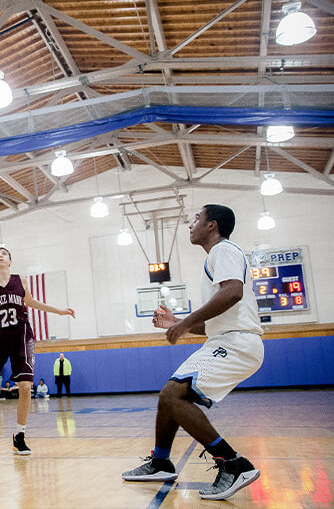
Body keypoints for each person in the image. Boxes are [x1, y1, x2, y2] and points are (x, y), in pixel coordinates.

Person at [122, 205, 264, 501]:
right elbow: (216, 322)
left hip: (237, 343)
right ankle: (161, 461)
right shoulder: (216, 257)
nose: (191, 225)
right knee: (169, 395)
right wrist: (178, 323)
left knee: (173, 394)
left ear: (212, 225)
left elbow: (234, 292)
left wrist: (184, 323)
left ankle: (232, 463)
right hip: (225, 339)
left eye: (196, 219)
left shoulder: (223, 250)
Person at [0, 245, 75, 455]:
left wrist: (58, 311)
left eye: (4, 254)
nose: (1, 256)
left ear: (10, 261)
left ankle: (19, 434)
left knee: (24, 386)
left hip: (22, 334)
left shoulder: (20, 280)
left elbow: (30, 302)